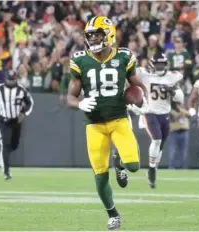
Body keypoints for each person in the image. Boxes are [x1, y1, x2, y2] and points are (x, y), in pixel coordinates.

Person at [66, 16, 146, 230]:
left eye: (97, 34)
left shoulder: (124, 56)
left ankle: (119, 161)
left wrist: (142, 100)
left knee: (134, 166)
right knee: (100, 176)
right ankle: (113, 215)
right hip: (94, 125)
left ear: (109, 34)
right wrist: (79, 103)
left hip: (119, 118)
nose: (92, 39)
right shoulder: (80, 60)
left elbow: (136, 84)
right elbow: (70, 96)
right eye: (89, 35)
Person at [129, 51, 184, 189]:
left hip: (165, 114)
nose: (160, 67)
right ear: (152, 65)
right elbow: (130, 71)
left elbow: (180, 98)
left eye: (162, 65)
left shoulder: (173, 76)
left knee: (160, 145)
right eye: (157, 65)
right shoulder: (144, 74)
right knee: (156, 140)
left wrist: (172, 90)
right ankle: (152, 169)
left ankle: (153, 168)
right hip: (149, 112)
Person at [0, 70, 34, 180]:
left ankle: (4, 158)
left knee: (14, 145)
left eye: (13, 80)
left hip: (16, 121)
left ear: (16, 79)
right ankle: (6, 172)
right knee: (5, 144)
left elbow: (30, 102)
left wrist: (24, 113)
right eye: (9, 80)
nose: (10, 82)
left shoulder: (21, 90)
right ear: (5, 79)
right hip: (3, 120)